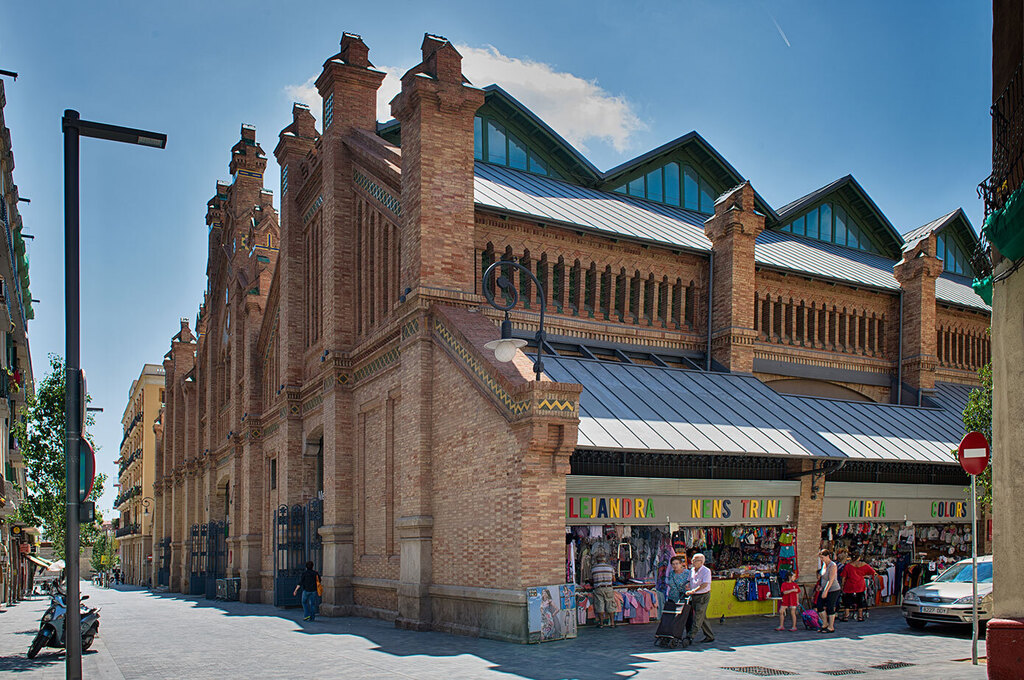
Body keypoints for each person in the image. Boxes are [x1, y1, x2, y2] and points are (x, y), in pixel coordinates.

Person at [685, 553, 715, 643]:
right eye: (692, 559)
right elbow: (689, 580)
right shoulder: (692, 570)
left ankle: (690, 636)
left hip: (702, 595)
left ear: (701, 562)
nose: (692, 561)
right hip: (694, 596)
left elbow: (705, 584)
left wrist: (693, 590)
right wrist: (688, 586)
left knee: (698, 617)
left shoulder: (706, 571)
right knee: (702, 616)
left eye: (694, 560)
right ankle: (709, 635)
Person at [840, 553, 876, 622]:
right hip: (860, 584)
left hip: (850, 584)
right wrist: (864, 575)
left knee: (847, 600)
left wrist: (842, 585)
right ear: (859, 558)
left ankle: (846, 616)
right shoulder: (864, 564)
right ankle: (860, 616)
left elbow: (844, 577)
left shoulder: (848, 566)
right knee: (860, 600)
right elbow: (872, 572)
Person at [816, 549, 842, 633]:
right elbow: (822, 578)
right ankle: (824, 623)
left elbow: (831, 580)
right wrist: (820, 586)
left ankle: (831, 626)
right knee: (819, 605)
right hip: (823, 588)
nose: (822, 559)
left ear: (827, 556)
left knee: (830, 606)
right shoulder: (824, 565)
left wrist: (826, 591)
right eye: (820, 558)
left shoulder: (832, 565)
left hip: (833, 589)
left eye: (823, 558)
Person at [590, 552, 617, 628]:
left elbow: (591, 580)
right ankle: (612, 623)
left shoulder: (594, 568)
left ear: (597, 560)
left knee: (600, 605)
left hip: (598, 588)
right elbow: (614, 579)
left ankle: (601, 623)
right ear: (605, 560)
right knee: (610, 604)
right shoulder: (610, 567)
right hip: (608, 587)